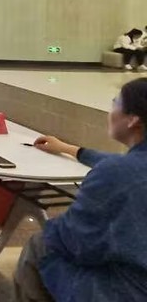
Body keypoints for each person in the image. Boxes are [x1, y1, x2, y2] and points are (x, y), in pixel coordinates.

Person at [14, 78, 147, 302]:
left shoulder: (114, 173)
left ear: (133, 119)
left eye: (115, 102)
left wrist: (54, 225)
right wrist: (69, 149)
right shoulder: (124, 166)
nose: (111, 110)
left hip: (126, 291)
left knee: (39, 245)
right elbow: (119, 162)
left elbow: (72, 239)